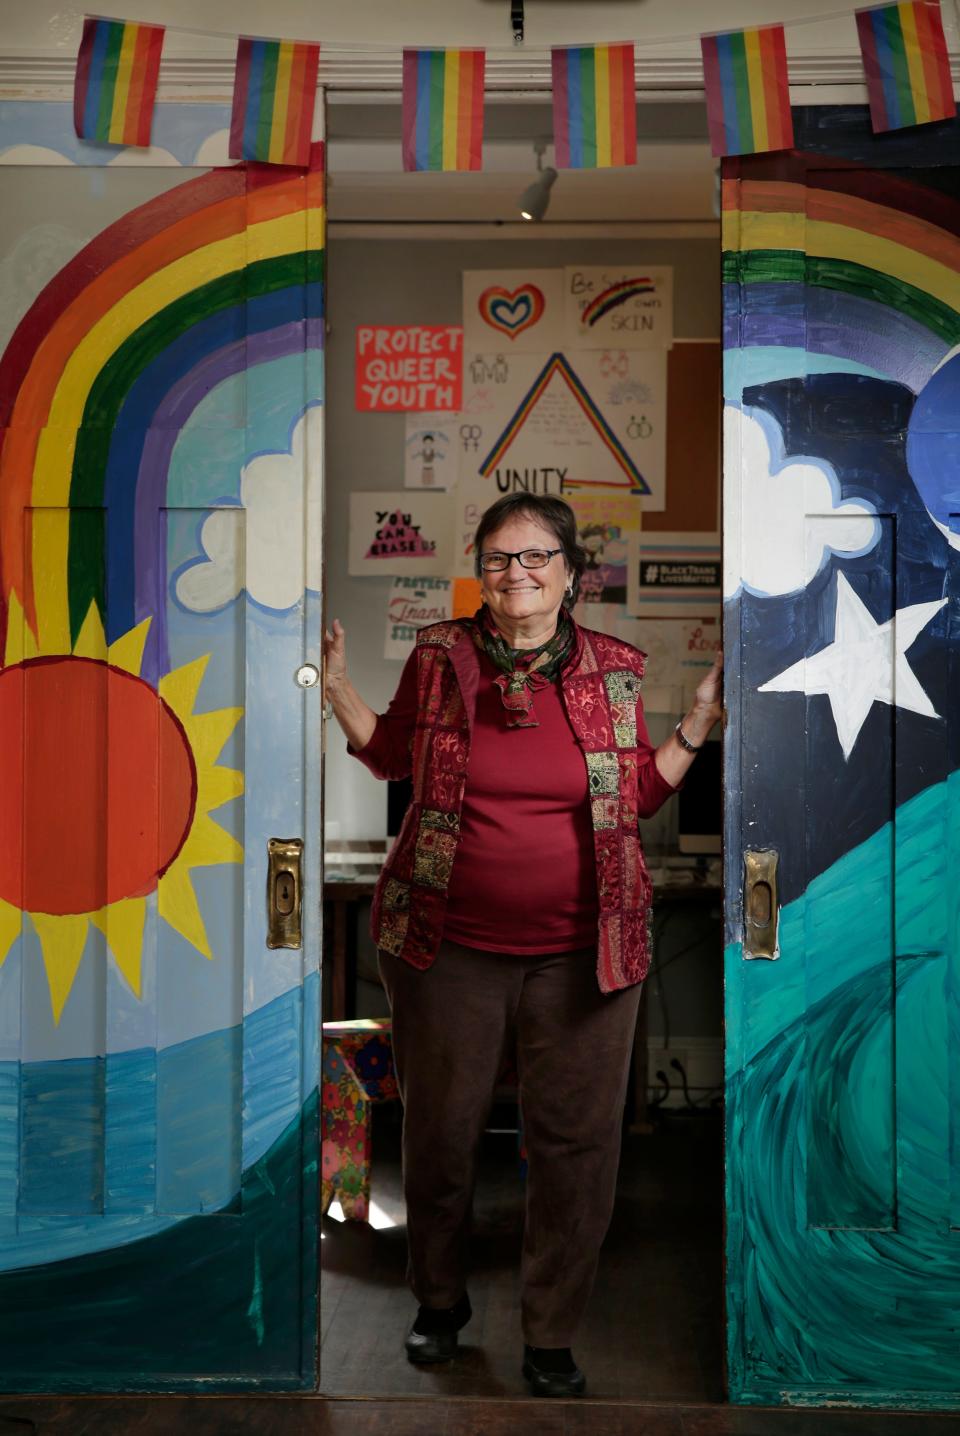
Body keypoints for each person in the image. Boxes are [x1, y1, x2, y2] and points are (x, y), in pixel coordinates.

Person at [323, 493, 723, 1399]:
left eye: (536, 556)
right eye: (498, 559)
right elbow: (390, 756)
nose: (517, 574)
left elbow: (640, 799)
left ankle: (551, 1332)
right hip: (444, 943)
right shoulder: (439, 658)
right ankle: (437, 1304)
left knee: (577, 1145)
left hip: (586, 954)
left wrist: (696, 724)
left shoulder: (618, 671)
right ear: (482, 571)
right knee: (439, 1132)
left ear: (571, 572)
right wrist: (336, 685)